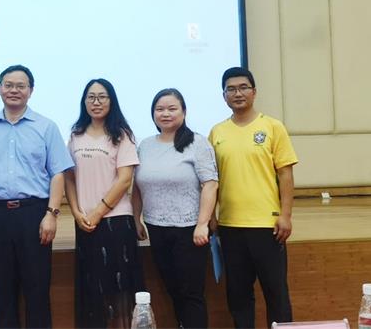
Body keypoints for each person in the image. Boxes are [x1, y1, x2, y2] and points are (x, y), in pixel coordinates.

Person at [0, 64, 74, 328]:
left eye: (20, 86)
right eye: (8, 85)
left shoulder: (47, 127)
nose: (14, 90)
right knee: (2, 288)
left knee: (37, 287)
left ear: (31, 90)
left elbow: (58, 174)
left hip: (34, 213)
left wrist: (51, 214)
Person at [209, 67, 298, 329]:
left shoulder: (272, 127)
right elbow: (211, 180)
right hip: (230, 226)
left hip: (267, 226)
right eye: (231, 89)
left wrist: (285, 215)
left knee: (276, 293)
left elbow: (285, 174)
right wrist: (212, 216)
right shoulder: (217, 132)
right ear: (224, 96)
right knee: (238, 295)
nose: (238, 93)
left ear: (254, 92)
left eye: (243, 87)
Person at [132, 88, 218, 329]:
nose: (165, 114)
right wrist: (136, 219)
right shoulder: (145, 145)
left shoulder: (197, 143)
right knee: (173, 289)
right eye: (160, 109)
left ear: (184, 112)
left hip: (189, 230)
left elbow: (210, 184)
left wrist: (203, 224)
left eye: (172, 109)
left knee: (191, 293)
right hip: (156, 227)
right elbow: (137, 187)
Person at [63, 79, 144, 329]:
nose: (96, 102)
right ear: (84, 101)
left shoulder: (122, 135)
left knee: (118, 288)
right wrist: (76, 212)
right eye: (91, 97)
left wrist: (98, 212)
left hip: (115, 221)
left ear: (111, 101)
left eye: (102, 97)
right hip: (85, 222)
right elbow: (69, 177)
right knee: (92, 288)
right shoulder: (76, 135)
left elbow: (125, 180)